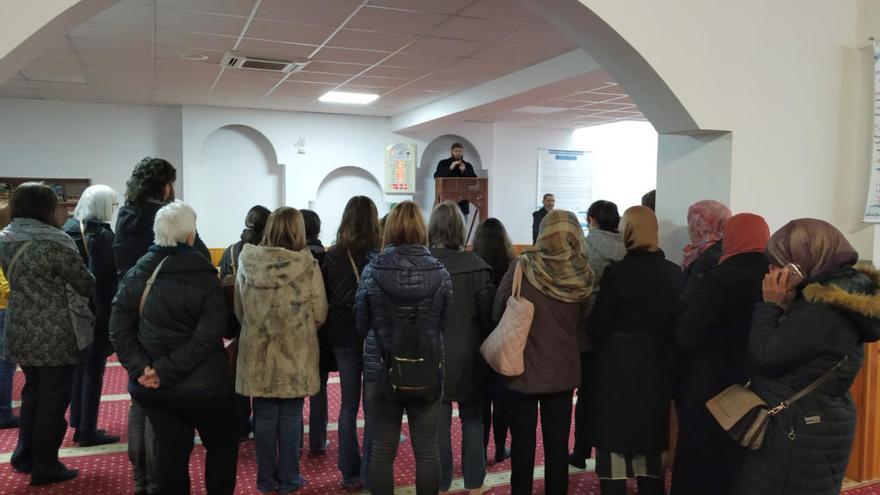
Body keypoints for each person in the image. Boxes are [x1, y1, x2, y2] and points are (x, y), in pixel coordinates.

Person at [734, 219, 880, 495]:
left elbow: (766, 356)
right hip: (816, 422)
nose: (772, 271)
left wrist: (769, 305)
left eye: (779, 264)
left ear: (802, 262)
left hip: (799, 430)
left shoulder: (821, 309)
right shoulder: (838, 292)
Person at [110, 200, 239, 495]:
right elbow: (207, 337)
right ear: (191, 235)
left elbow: (118, 328)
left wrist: (143, 369)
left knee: (169, 455)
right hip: (206, 388)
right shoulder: (204, 274)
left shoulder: (137, 272)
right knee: (222, 449)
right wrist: (163, 371)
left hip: (155, 389)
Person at [114, 157, 211, 495]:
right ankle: (157, 480)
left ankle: (141, 477)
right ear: (166, 186)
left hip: (136, 320)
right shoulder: (164, 222)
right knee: (161, 410)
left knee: (140, 400)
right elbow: (196, 259)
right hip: (169, 324)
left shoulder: (124, 217)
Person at [493, 209, 594, 495]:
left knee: (523, 445)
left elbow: (498, 307)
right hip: (562, 371)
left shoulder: (523, 266)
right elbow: (585, 324)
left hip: (522, 367)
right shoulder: (583, 272)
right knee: (558, 446)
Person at [0, 183, 95, 485]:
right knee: (53, 399)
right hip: (56, 332)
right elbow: (84, 282)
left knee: (32, 394)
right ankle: (46, 465)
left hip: (19, 327)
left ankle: (24, 455)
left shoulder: (5, 239)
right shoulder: (57, 241)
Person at [356, 201, 452, 495]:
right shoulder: (440, 271)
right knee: (427, 451)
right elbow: (445, 322)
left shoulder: (372, 270)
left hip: (381, 368)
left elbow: (360, 323)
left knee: (382, 451)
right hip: (428, 364)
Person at [670, 213, 770, 495]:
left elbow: (687, 334)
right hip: (757, 380)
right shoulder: (777, 277)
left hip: (709, 384)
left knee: (701, 458)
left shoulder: (716, 279)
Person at [588, 206, 682, 495]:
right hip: (656, 370)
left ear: (626, 231)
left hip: (617, 370)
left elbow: (596, 325)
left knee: (615, 442)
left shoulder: (617, 273)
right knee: (650, 444)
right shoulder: (674, 273)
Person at [235, 207, 328, 494]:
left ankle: (265, 480)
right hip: (294, 354)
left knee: (262, 417)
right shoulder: (307, 264)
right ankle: (289, 479)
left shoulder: (247, 261)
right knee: (290, 417)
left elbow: (240, 310)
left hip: (259, 353)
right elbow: (320, 312)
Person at [428, 202, 494, 495]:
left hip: (433, 353)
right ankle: (475, 484)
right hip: (470, 353)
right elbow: (488, 315)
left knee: (438, 423)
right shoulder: (477, 266)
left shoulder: (424, 265)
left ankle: (441, 485)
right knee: (473, 419)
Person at [320, 196, 381, 490]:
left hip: (342, 335)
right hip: (372, 336)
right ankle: (370, 470)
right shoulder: (379, 255)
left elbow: (326, 300)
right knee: (371, 406)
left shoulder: (331, 255)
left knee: (347, 405)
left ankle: (349, 470)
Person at [569, 200, 626, 469]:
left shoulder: (584, 245)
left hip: (587, 327)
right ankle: (609, 453)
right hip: (618, 332)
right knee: (614, 394)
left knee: (587, 393)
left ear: (591, 219)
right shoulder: (627, 248)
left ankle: (580, 451)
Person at [63, 185, 121, 446]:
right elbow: (104, 282)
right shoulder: (102, 235)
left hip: (71, 310)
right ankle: (87, 430)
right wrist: (111, 320)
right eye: (112, 205)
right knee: (93, 372)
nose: (114, 210)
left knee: (78, 369)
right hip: (95, 313)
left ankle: (77, 422)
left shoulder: (69, 230)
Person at [218, 204, 270, 441]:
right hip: (264, 322)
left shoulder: (230, 251)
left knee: (238, 376)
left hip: (238, 322)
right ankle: (263, 425)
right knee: (263, 378)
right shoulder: (269, 251)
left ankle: (240, 425)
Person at [471, 217, 513, 462]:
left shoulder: (474, 267)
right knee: (502, 399)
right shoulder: (511, 266)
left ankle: (481, 448)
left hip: (478, 342)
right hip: (504, 340)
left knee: (481, 401)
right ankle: (500, 446)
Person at [300, 208, 331, 455]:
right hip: (322, 331)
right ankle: (318, 441)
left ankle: (295, 438)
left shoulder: (291, 258)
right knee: (319, 388)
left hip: (295, 331)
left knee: (295, 389)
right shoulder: (327, 258)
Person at [681, 200, 731, 285]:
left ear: (698, 227)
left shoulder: (708, 258)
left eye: (690, 223)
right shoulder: (726, 250)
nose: (688, 229)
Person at [0, 202, 17, 430]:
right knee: (5, 364)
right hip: (4, 308)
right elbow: (3, 285)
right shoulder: (3, 242)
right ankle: (4, 414)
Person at [434, 142, 477, 216]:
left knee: (462, 226)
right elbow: (437, 177)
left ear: (462, 152)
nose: (458, 153)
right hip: (446, 201)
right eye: (455, 151)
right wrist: (451, 167)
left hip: (463, 202)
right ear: (451, 151)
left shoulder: (467, 165)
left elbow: (474, 182)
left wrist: (464, 171)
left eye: (460, 151)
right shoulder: (443, 163)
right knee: (446, 225)